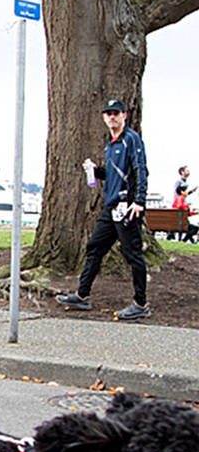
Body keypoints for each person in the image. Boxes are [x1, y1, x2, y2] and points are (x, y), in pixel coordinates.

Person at [57, 98, 151, 321]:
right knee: (94, 247)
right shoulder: (111, 143)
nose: (112, 117)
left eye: (116, 113)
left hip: (127, 207)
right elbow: (113, 174)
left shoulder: (131, 140)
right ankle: (82, 295)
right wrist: (96, 170)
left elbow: (140, 170)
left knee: (132, 254)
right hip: (111, 208)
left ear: (124, 116)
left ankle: (141, 303)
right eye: (108, 114)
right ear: (104, 117)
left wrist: (139, 201)